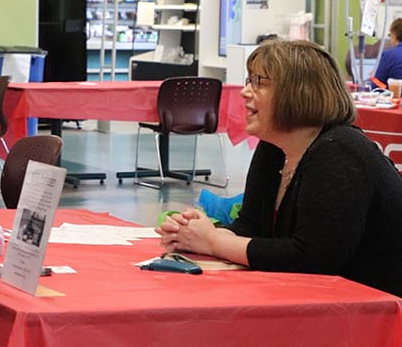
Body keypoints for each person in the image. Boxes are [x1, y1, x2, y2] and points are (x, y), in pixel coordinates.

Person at [157, 39, 402, 297]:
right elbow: (250, 229)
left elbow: (312, 259)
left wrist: (213, 242)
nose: (245, 92)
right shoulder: (274, 147)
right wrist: (194, 234)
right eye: (248, 80)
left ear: (299, 92)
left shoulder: (339, 153)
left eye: (259, 82)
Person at [373, 17, 402, 87]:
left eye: (390, 35)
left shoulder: (388, 55)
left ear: (394, 35)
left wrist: (372, 78)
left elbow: (377, 85)